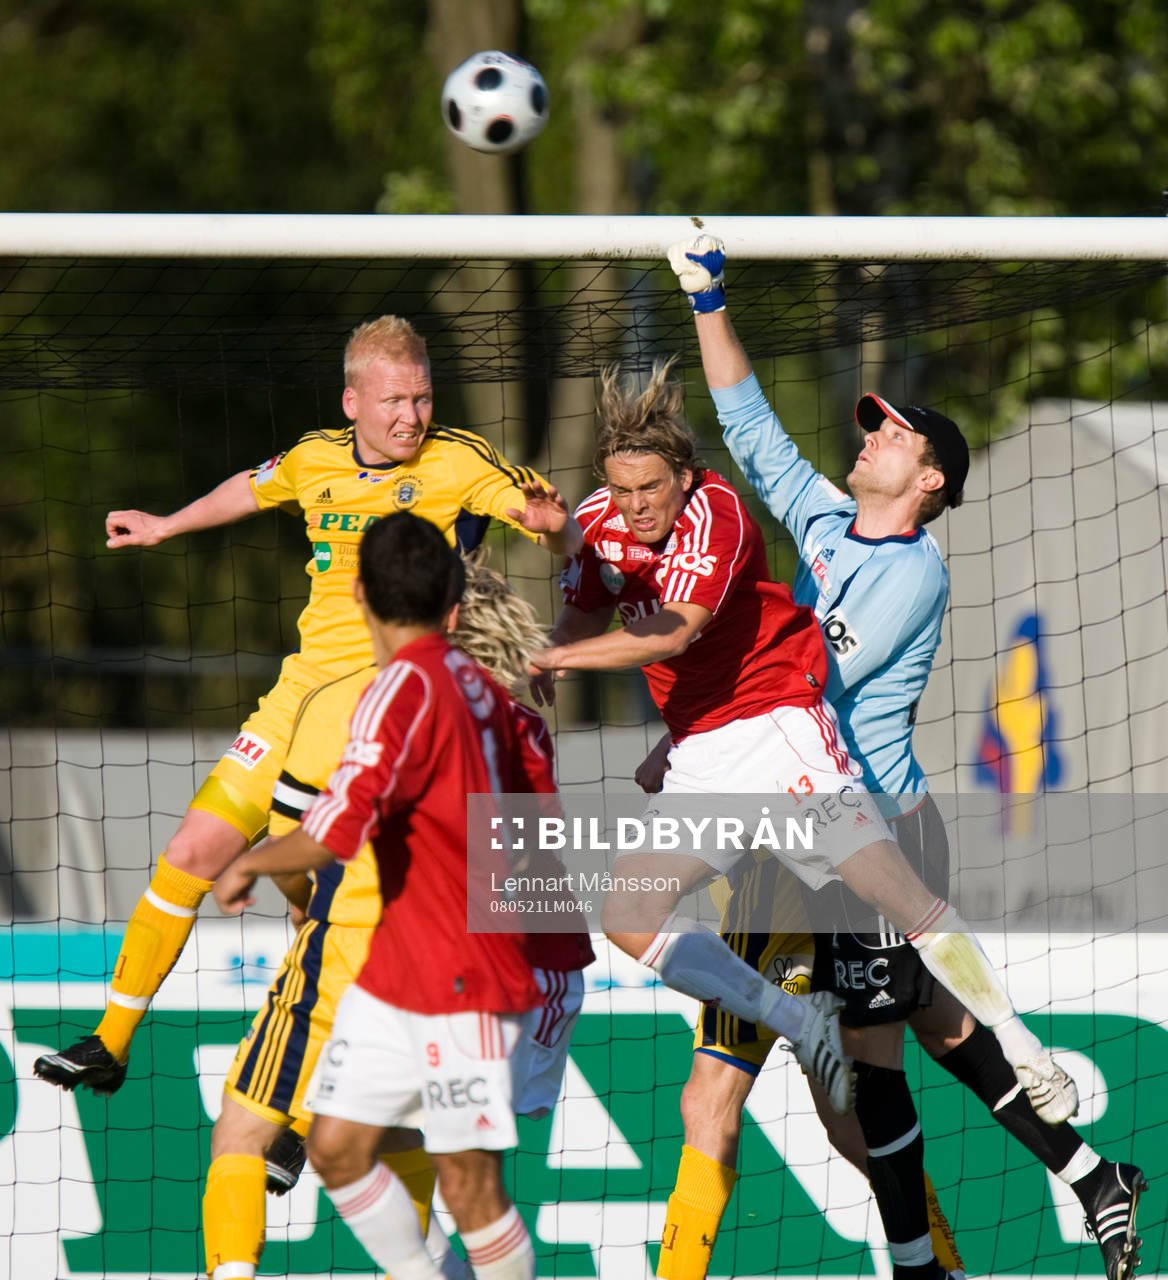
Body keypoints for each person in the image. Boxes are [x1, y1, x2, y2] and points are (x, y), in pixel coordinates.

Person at [648, 232, 1145, 1280]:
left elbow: (802, 683)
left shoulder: (912, 573)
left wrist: (686, 726)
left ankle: (930, 1261)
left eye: (891, 433)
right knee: (921, 1031)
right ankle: (1091, 1175)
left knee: (878, 1058)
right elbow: (750, 428)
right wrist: (706, 299)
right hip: (783, 823)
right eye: (872, 423)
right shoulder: (830, 522)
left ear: (927, 478)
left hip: (870, 829)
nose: (868, 434)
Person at [528, 354, 1085, 1265]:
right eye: (618, 487)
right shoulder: (789, 517)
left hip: (789, 741)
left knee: (889, 1055)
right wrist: (547, 635)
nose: (633, 505)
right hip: (713, 760)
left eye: (649, 486)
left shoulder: (789, 536)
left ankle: (1022, 1067)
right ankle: (807, 1031)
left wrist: (555, 665)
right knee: (629, 924)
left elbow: (676, 629)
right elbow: (747, 446)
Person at [34, 314, 582, 1100]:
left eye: (423, 398)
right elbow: (253, 487)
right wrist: (166, 524)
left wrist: (552, 526)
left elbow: (543, 522)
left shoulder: (459, 460)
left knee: (320, 898)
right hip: (295, 700)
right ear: (353, 401)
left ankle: (298, 1096)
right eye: (395, 401)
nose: (412, 418)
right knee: (192, 851)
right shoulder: (313, 457)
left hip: (382, 710)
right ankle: (110, 1042)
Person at [201, 552, 592, 1280]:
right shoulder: (516, 720)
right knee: (377, 1154)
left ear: (363, 602)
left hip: (407, 962)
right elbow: (533, 859)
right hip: (463, 970)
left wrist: (258, 868)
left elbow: (328, 825)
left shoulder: (373, 696)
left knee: (260, 1137)